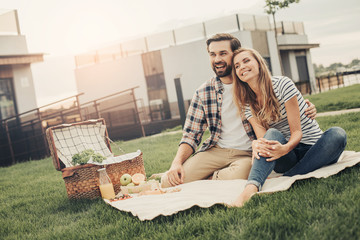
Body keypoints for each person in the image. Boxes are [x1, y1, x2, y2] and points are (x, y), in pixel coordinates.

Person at [160, 33, 317, 188]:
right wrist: (176, 163)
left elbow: (282, 104)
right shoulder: (203, 92)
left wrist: (307, 107)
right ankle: (212, 175)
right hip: (217, 150)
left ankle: (208, 179)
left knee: (241, 174)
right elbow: (191, 134)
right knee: (168, 182)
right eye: (212, 54)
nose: (217, 60)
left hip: (248, 152)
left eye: (223, 53)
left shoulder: (252, 84)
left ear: (235, 54)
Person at [229, 47, 347, 207]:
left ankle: (290, 176)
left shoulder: (283, 84)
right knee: (271, 134)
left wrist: (285, 148)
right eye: (237, 66)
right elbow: (264, 136)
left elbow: (297, 132)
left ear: (258, 63)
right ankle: (251, 187)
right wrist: (259, 144)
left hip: (314, 149)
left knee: (338, 134)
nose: (241, 67)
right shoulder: (246, 104)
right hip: (286, 155)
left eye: (246, 61)